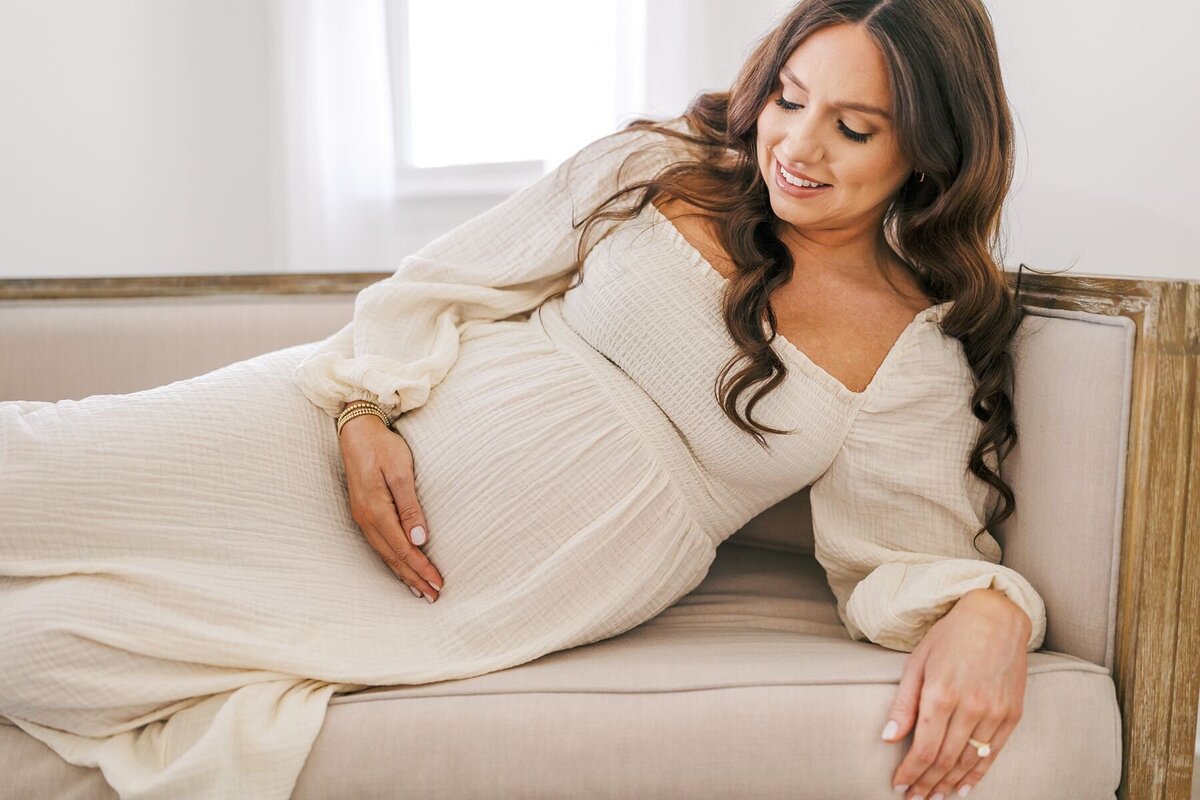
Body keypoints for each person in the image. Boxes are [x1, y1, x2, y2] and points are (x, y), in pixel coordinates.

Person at [0, 1, 1046, 798]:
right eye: (789, 98)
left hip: (483, 580)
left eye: (854, 127)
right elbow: (445, 281)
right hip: (346, 427)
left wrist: (992, 611)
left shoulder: (910, 346)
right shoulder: (659, 169)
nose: (797, 148)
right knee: (31, 466)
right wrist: (360, 408)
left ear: (930, 150)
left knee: (44, 650)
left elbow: (901, 553)